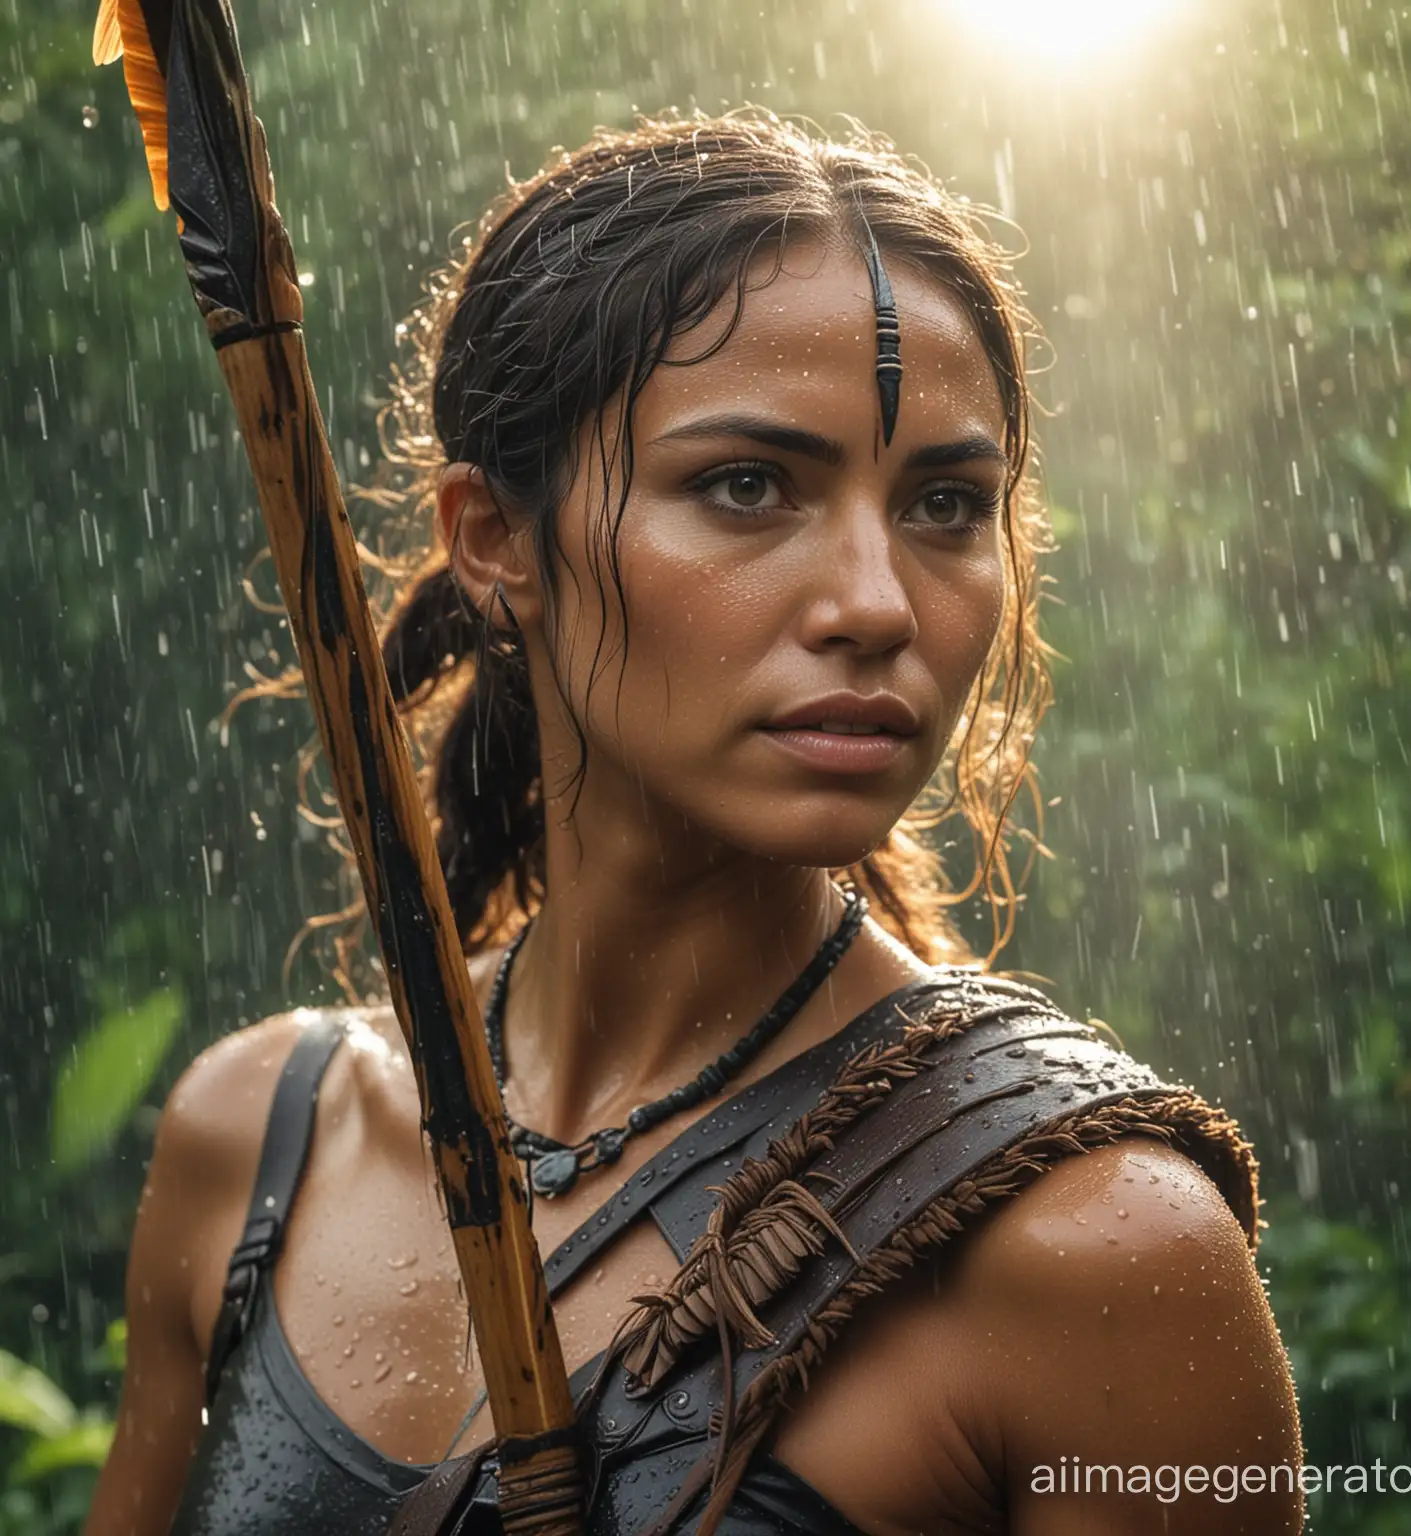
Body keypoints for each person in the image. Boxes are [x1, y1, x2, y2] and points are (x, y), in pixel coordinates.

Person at [85, 112, 1302, 1536]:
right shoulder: (260, 1149)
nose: (877, 602)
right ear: (494, 540)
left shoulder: (1097, 1256)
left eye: (946, 505)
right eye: (746, 486)